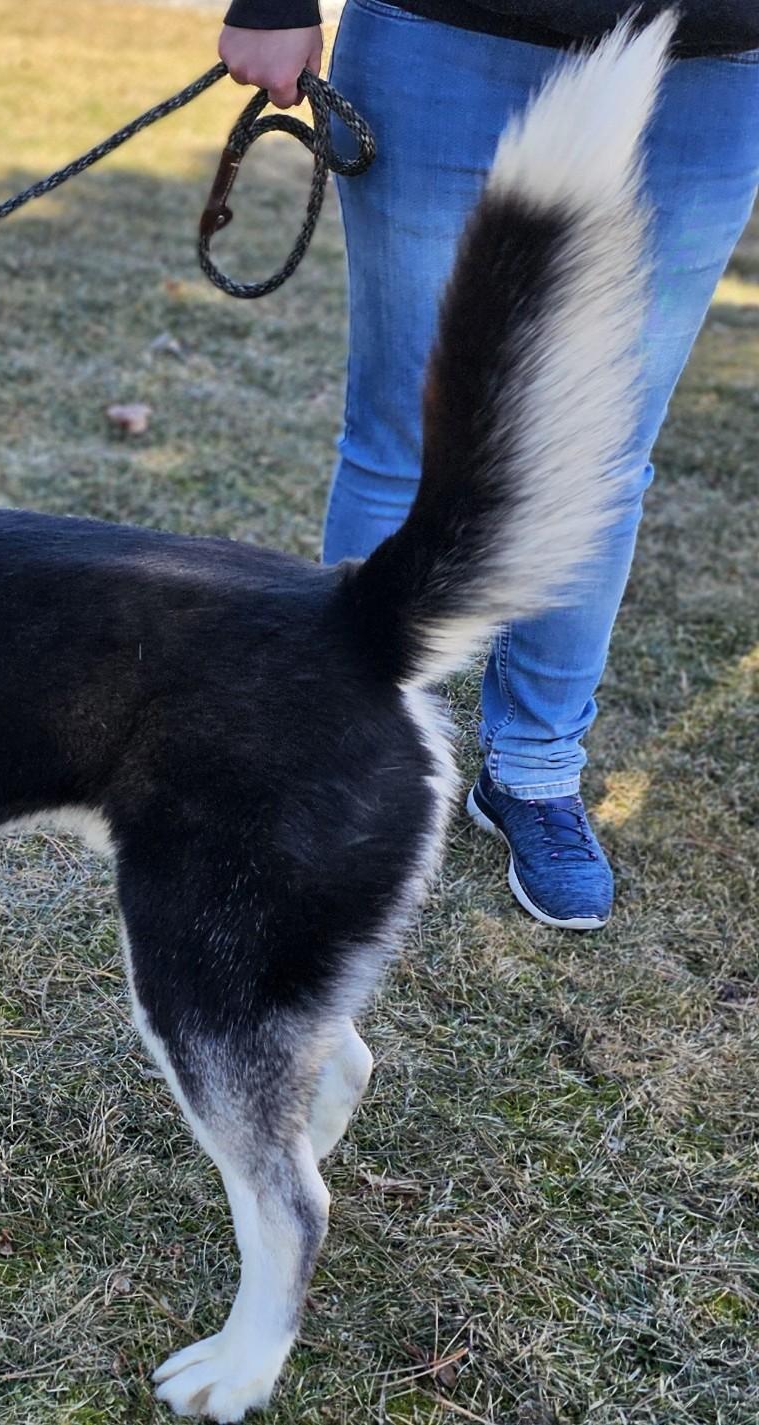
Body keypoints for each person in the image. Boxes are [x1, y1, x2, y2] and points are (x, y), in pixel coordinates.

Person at [217, 1, 759, 929]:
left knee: (604, 457)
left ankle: (534, 771)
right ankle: (344, 745)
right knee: (401, 436)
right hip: (449, 33)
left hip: (713, 59)